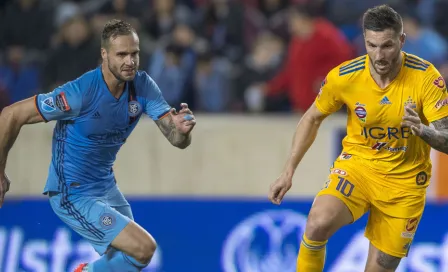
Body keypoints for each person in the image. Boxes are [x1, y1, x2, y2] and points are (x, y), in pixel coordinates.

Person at [0, 19, 196, 272]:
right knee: (143, 248)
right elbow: (10, 115)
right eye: (122, 54)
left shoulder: (143, 86)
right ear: (104, 54)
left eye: (134, 54)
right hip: (72, 192)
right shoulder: (79, 94)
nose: (130, 61)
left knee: (129, 261)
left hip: (106, 187)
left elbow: (176, 140)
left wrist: (182, 132)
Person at [268, 5, 448, 272]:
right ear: (364, 40)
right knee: (317, 222)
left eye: (387, 45)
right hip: (359, 168)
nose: (379, 55)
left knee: (381, 266)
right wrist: (288, 170)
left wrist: (424, 132)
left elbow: (445, 136)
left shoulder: (426, 78)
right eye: (371, 45)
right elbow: (312, 117)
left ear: (401, 40)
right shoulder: (344, 77)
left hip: (406, 181)